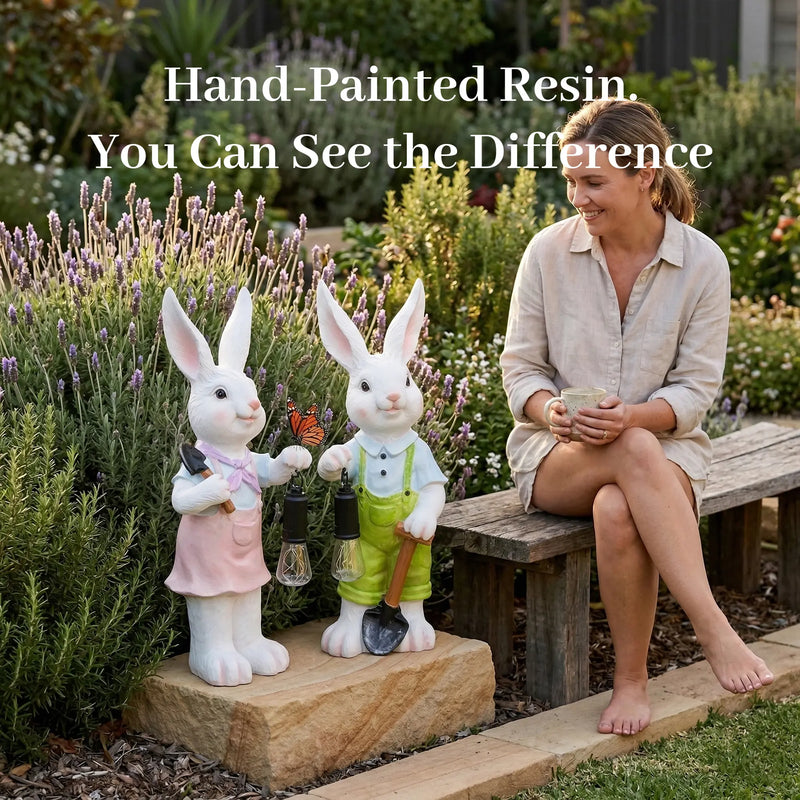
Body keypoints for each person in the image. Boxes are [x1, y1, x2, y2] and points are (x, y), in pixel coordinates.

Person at [501, 98, 773, 737]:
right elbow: (521, 372)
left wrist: (632, 418)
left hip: (667, 455)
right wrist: (555, 412)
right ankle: (714, 631)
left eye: (593, 182)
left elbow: (695, 393)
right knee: (629, 453)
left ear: (645, 174)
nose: (577, 197)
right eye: (570, 180)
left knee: (620, 502)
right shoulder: (547, 253)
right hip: (554, 459)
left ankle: (630, 682)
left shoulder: (703, 263)